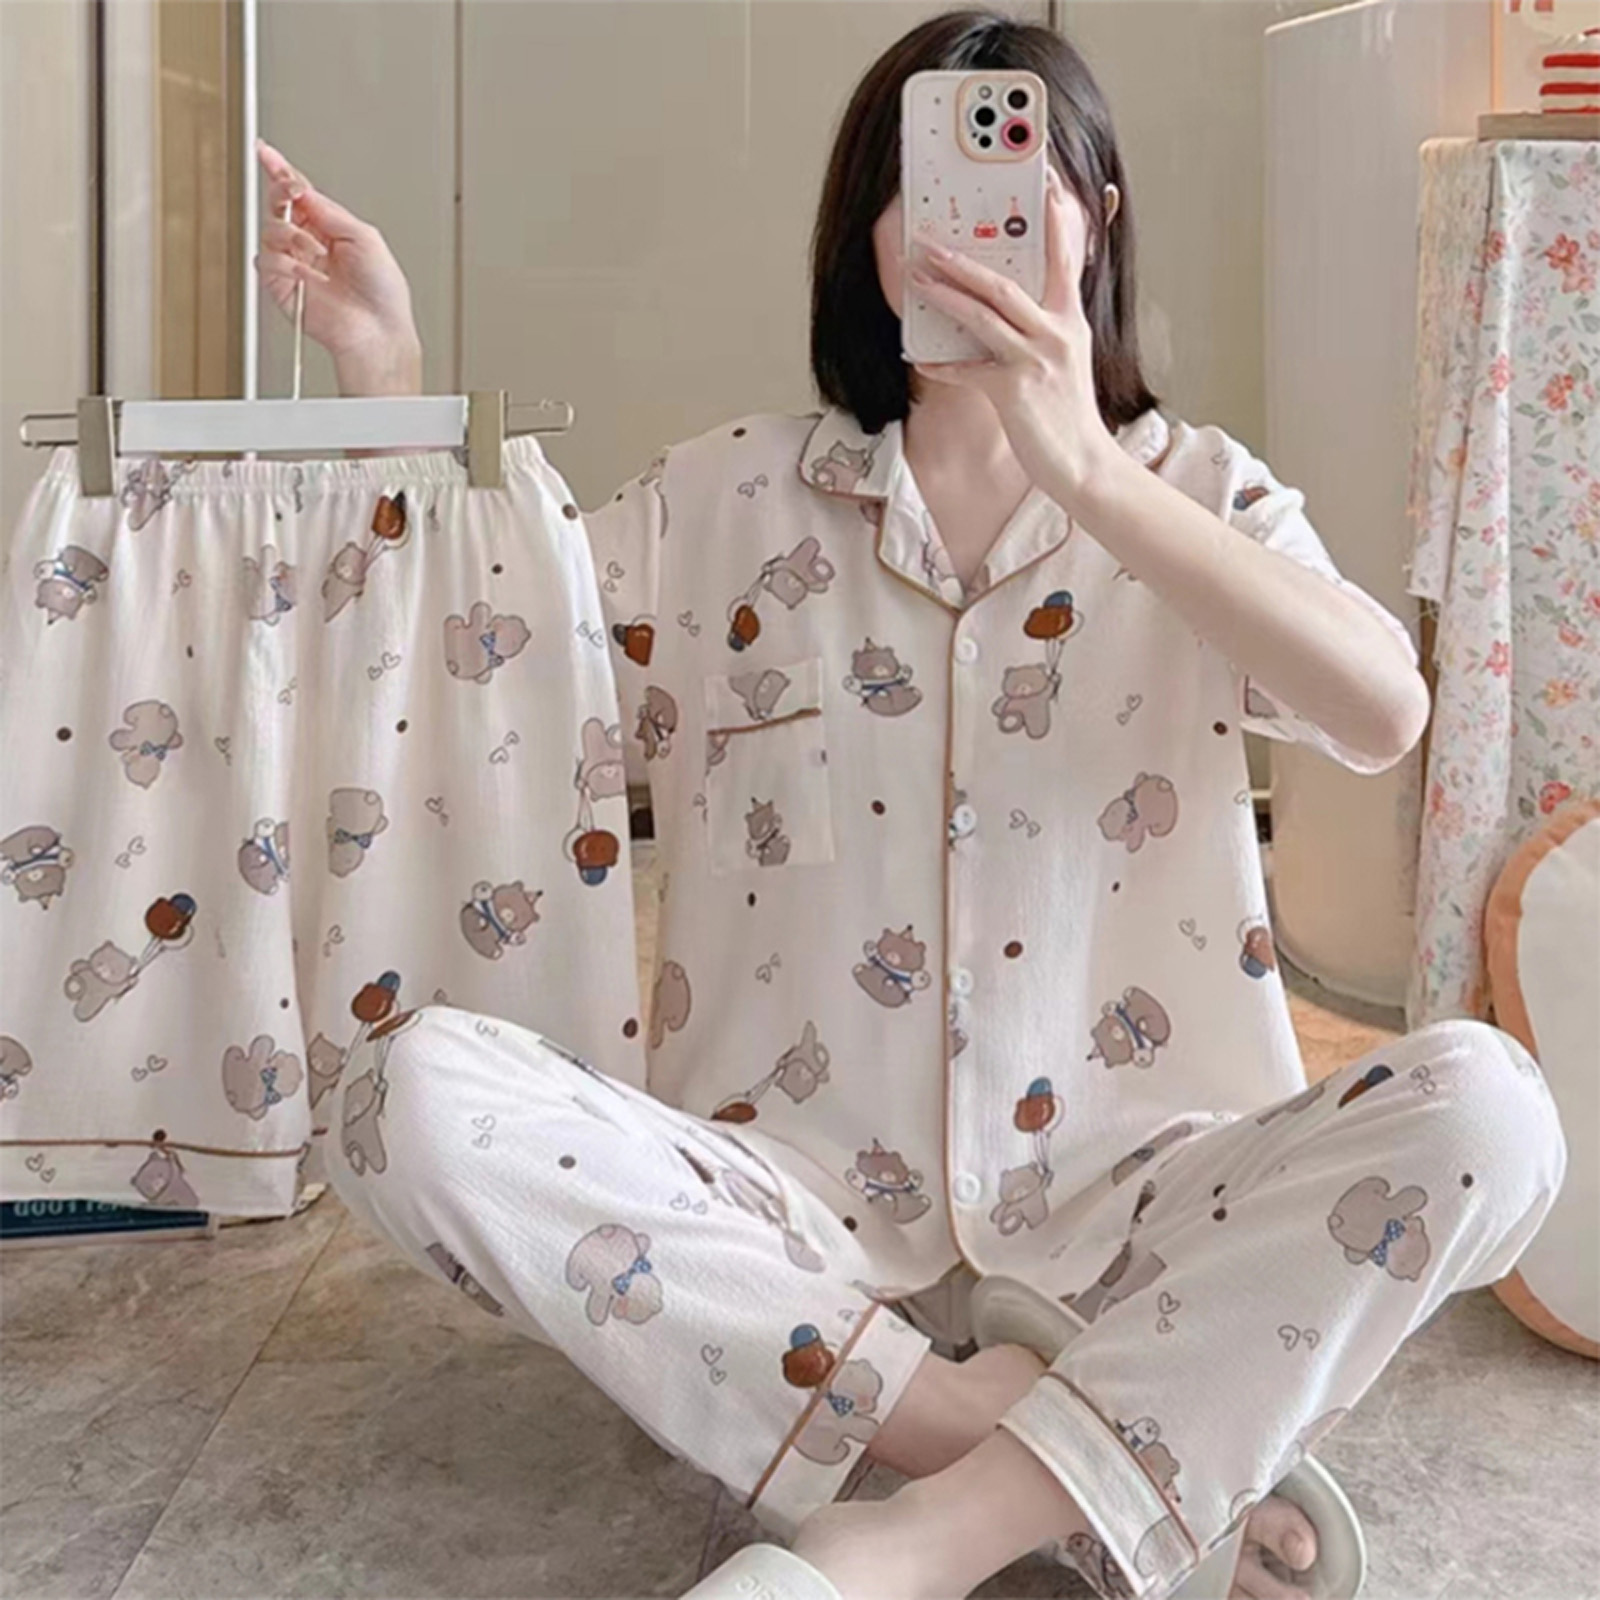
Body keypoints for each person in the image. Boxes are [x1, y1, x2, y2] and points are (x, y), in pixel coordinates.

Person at [254, 12, 1566, 1600]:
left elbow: (1382, 711)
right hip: (787, 1235)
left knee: (1495, 1110)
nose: (962, 221)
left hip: (1139, 1219)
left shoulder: (1197, 496)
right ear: (863, 236)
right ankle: (1026, 1441)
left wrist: (1090, 476)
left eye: (1018, 173)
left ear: (1097, 219)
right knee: (401, 1092)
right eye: (918, 181)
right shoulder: (721, 500)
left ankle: (921, 1532)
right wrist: (389, 382)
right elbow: (483, 664)